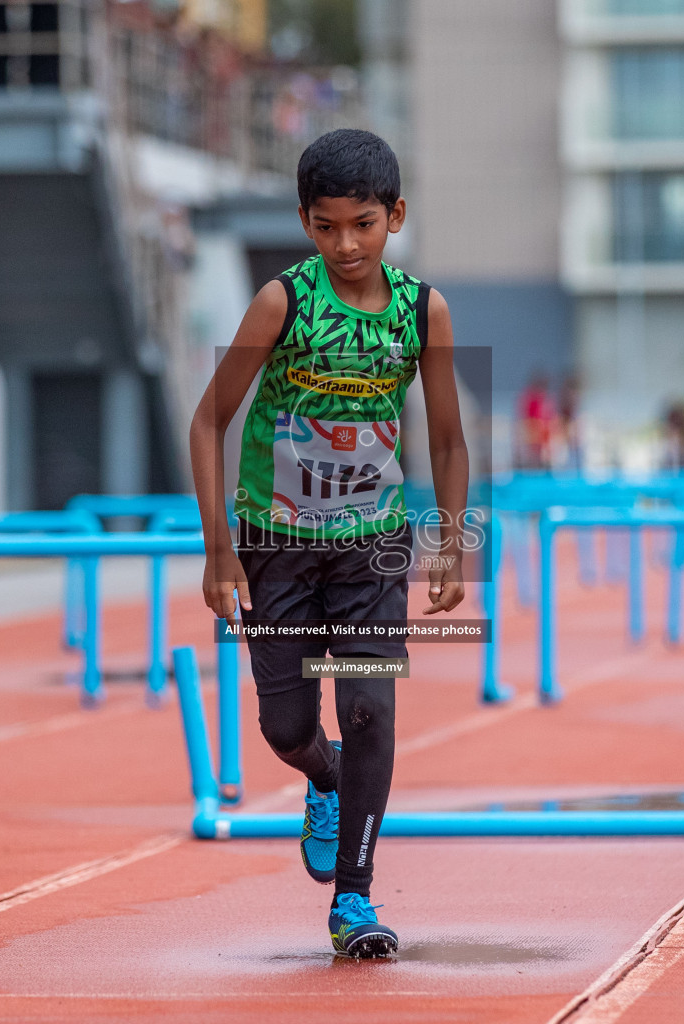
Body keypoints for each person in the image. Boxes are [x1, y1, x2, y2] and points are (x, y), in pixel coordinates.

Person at [189, 128, 469, 959]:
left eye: (363, 225)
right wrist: (218, 550)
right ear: (305, 223)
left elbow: (447, 441)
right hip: (273, 543)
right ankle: (322, 776)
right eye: (325, 226)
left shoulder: (424, 311)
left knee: (369, 705)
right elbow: (209, 420)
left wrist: (449, 543)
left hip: (370, 546)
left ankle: (354, 899)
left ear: (396, 217)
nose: (345, 245)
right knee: (285, 726)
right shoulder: (282, 302)